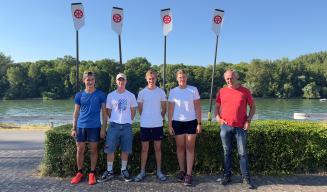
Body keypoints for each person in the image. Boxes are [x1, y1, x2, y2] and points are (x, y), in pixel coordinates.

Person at [215, 69, 256, 189]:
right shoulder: (221, 91)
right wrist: (218, 118)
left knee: (243, 153)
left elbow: (253, 107)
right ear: (225, 79)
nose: (229, 80)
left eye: (231, 78)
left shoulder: (245, 91)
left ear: (236, 77)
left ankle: (246, 179)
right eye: (227, 78)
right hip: (225, 127)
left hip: (241, 127)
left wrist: (248, 120)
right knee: (226, 153)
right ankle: (227, 176)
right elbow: (217, 107)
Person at [98, 73, 137, 182]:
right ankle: (109, 171)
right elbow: (108, 111)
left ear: (126, 81)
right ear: (116, 81)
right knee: (110, 149)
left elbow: (133, 111)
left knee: (125, 149)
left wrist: (127, 120)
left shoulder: (131, 95)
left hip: (127, 126)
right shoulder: (111, 95)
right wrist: (116, 119)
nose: (121, 82)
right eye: (119, 80)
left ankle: (123, 170)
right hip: (114, 125)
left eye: (123, 80)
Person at [70, 71, 107, 185]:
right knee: (80, 149)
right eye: (88, 80)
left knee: (93, 150)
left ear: (94, 81)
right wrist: (73, 128)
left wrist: (103, 128)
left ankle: (92, 173)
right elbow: (76, 113)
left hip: (95, 127)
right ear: (84, 81)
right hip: (81, 126)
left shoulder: (100, 94)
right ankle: (79, 172)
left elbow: (104, 114)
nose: (90, 81)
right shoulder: (79, 95)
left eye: (92, 79)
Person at [168, 69, 202, 186]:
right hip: (177, 122)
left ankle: (189, 174)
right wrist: (169, 125)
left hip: (191, 122)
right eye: (180, 77)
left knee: (190, 148)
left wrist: (199, 123)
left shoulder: (193, 90)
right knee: (180, 148)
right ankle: (182, 171)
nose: (182, 79)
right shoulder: (173, 91)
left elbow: (198, 108)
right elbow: (171, 109)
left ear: (186, 78)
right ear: (177, 79)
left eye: (183, 77)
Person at [134, 69, 167, 182]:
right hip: (145, 125)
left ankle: (159, 171)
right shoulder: (142, 93)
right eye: (149, 79)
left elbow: (164, 109)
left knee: (158, 148)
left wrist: (158, 117)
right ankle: (142, 171)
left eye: (153, 78)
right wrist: (148, 118)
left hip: (158, 124)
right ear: (146, 79)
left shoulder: (161, 92)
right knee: (144, 149)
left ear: (156, 79)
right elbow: (140, 110)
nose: (151, 80)